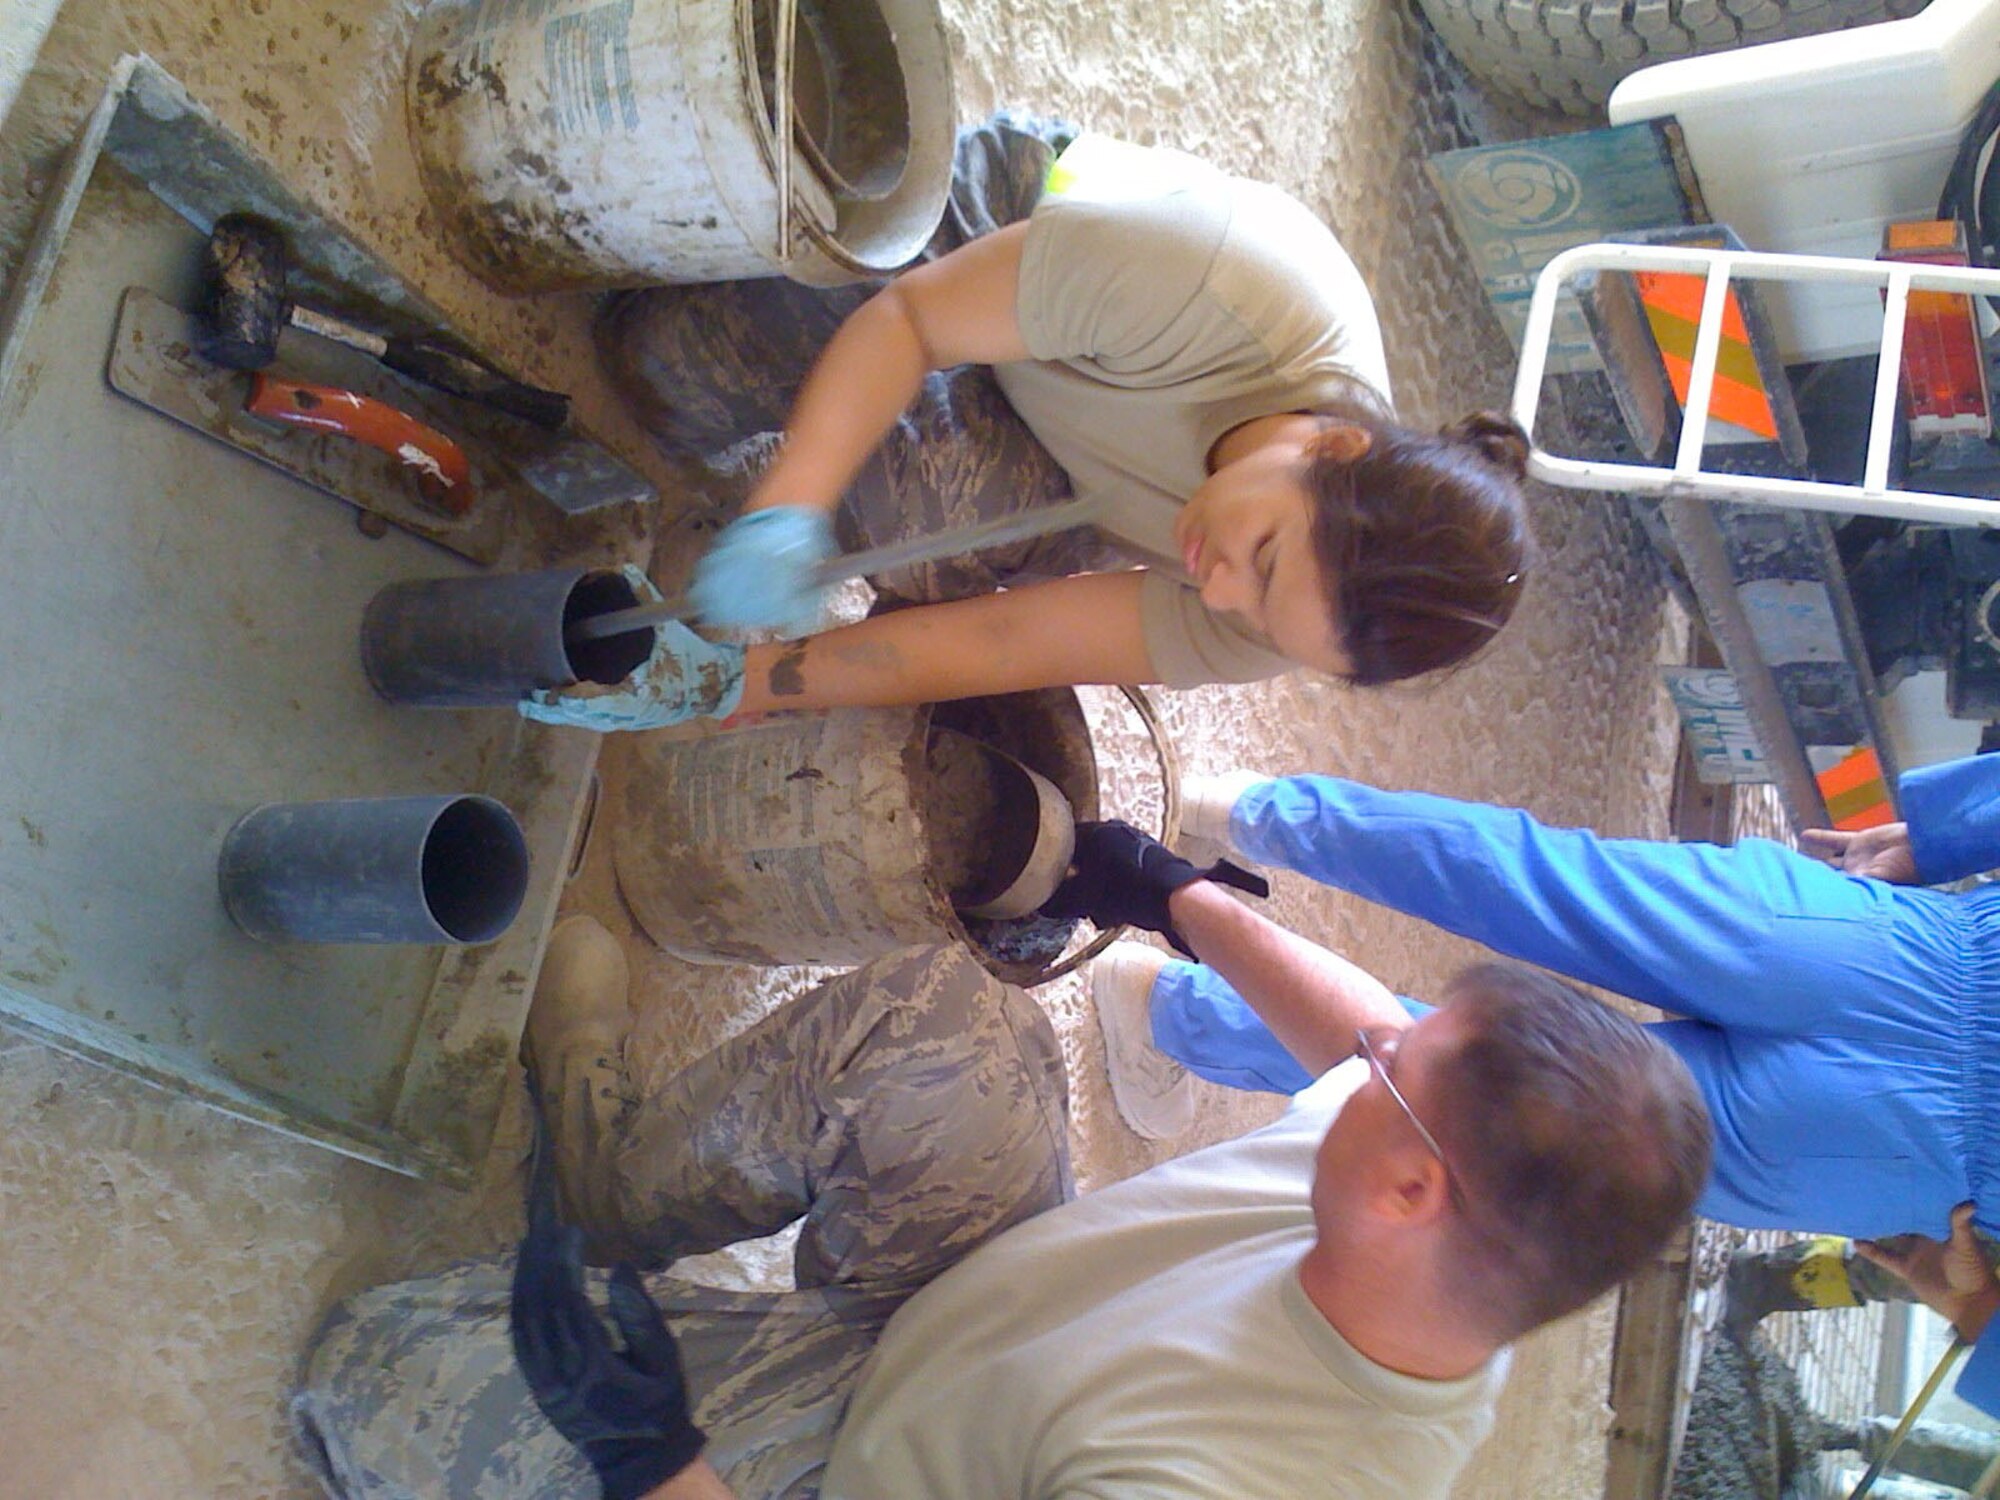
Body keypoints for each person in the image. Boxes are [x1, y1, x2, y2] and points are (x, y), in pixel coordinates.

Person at [293, 889, 1708, 1498]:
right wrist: (1175, 896)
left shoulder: (1232, 1480)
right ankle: (603, 1182)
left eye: (1407, 1055)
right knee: (945, 1025)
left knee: (369, 1371)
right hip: (968, 1328)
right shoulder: (1431, 1226)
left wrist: (654, 1456)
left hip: (843, 1471)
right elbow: (1355, 1034)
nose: (1376, 1039)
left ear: (1411, 1186)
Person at [1049, 752, 2000, 1411]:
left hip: (1923, 955)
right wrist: (1972, 1306)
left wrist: (1947, 835)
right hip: (1911, 1148)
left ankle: (1258, 813)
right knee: (1491, 1121)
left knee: (1546, 883)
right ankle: (1169, 1008)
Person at [518, 116, 1532, 734]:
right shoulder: (1217, 280)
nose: (1218, 593)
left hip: (1064, 448)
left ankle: (815, 474)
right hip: (995, 253)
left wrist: (740, 682)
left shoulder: (1294, 611)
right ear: (1331, 445)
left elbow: (1008, 641)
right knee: (656, 369)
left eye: (1259, 618)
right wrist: (790, 504)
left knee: (917, 548)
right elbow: (910, 318)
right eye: (1259, 559)